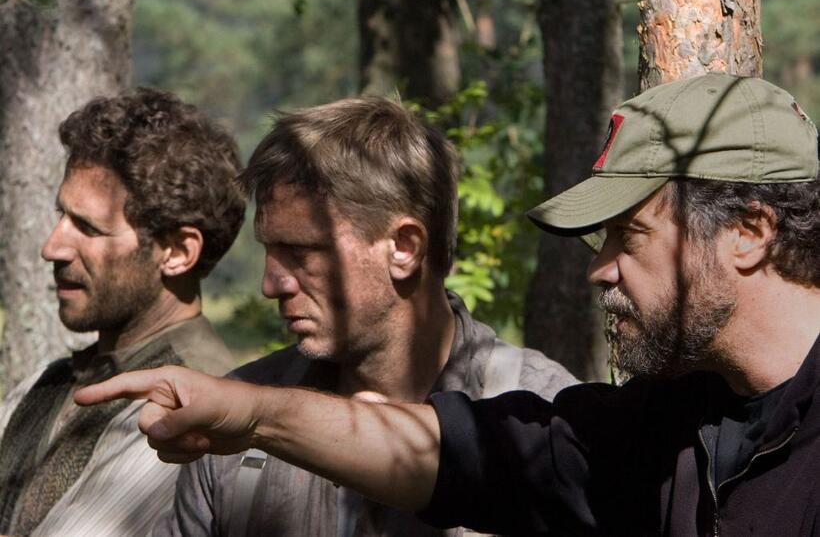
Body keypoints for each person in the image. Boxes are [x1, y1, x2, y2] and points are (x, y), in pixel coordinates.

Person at [77, 74, 820, 535]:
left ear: (749, 233)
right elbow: (462, 453)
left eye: (630, 234)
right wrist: (251, 415)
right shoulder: (669, 423)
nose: (598, 271)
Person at [153, 97, 578, 537]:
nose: (271, 283)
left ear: (405, 247)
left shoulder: (546, 422)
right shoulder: (238, 428)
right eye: (268, 250)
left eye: (300, 252)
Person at [0, 88, 246, 537]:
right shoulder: (44, 385)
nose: (51, 247)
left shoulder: (213, 416)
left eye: (88, 227)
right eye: (62, 216)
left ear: (177, 252)